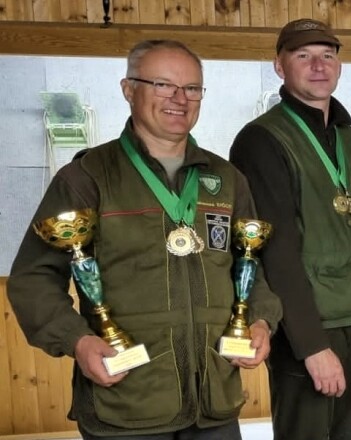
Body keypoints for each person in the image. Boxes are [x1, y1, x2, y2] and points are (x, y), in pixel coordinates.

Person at [7, 39, 282, 439]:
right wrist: (78, 341)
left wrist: (259, 320)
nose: (179, 99)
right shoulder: (87, 178)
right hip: (125, 406)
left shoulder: (226, 180)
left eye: (191, 88)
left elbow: (250, 267)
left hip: (214, 405)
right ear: (128, 89)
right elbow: (33, 279)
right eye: (162, 85)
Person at [228, 18, 351, 440]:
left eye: (327, 56)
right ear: (280, 66)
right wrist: (312, 345)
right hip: (305, 323)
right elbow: (274, 252)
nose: (318, 66)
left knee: (345, 433)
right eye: (303, 56)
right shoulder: (262, 139)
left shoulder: (347, 137)